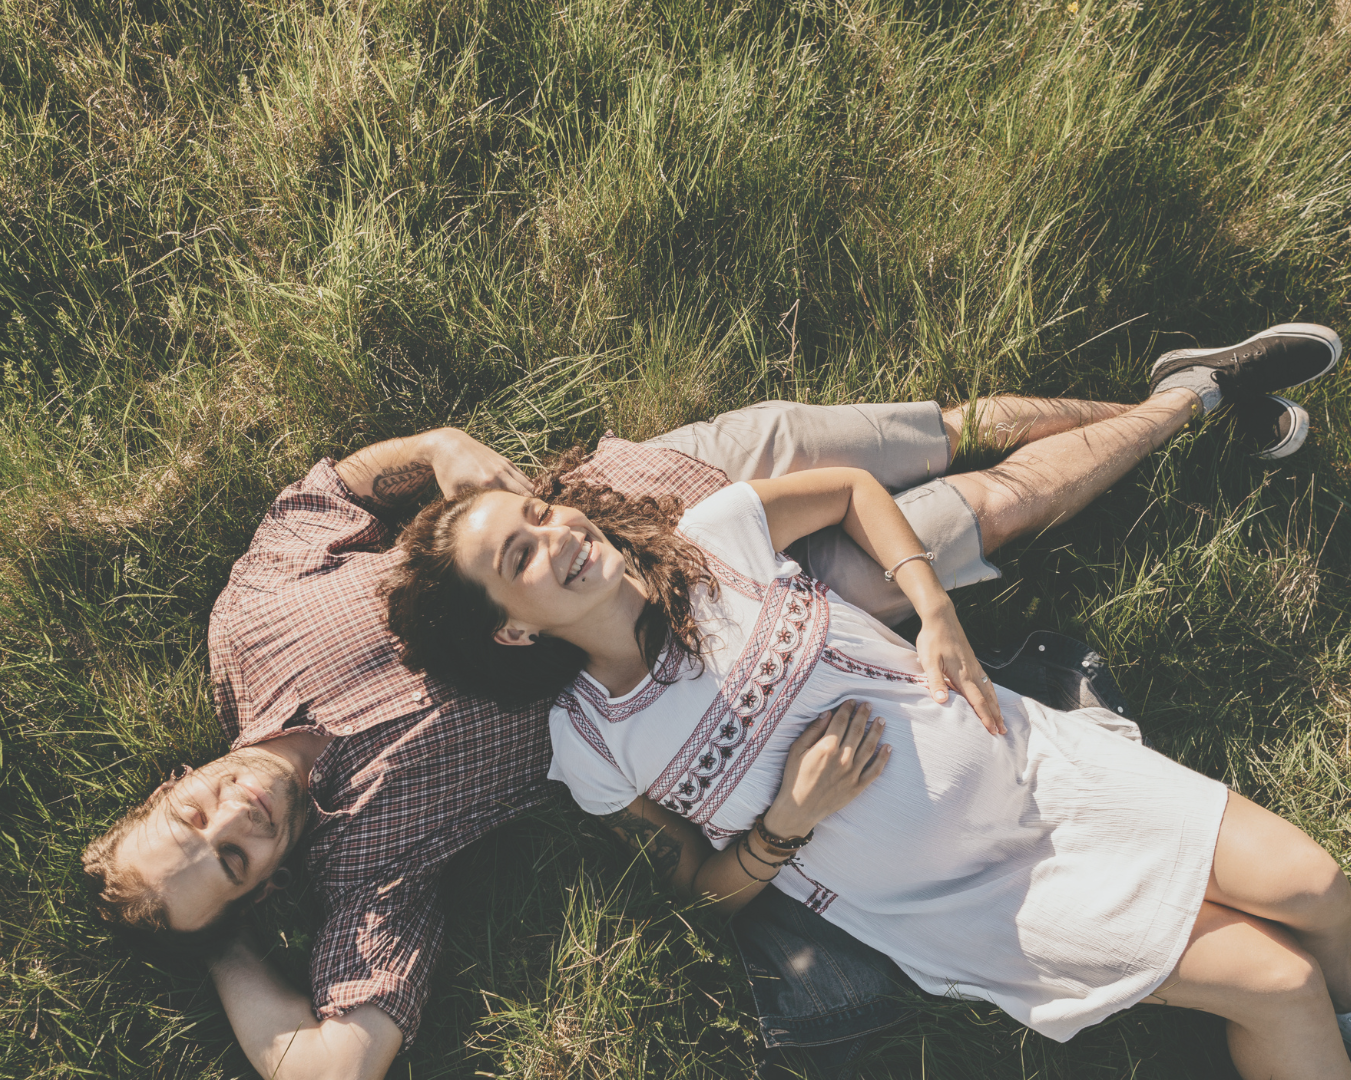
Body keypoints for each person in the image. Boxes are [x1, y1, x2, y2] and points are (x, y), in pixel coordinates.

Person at [80, 323, 1341, 1080]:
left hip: (674, 487)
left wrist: (456, 460)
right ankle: (1199, 400)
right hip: (712, 638)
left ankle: (1188, 402)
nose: (230, 817)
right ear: (262, 887)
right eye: (235, 859)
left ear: (166, 784)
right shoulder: (376, 864)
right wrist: (222, 944)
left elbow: (343, 485)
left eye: (190, 821)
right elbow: (328, 1068)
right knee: (999, 507)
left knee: (950, 428)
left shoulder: (251, 624)